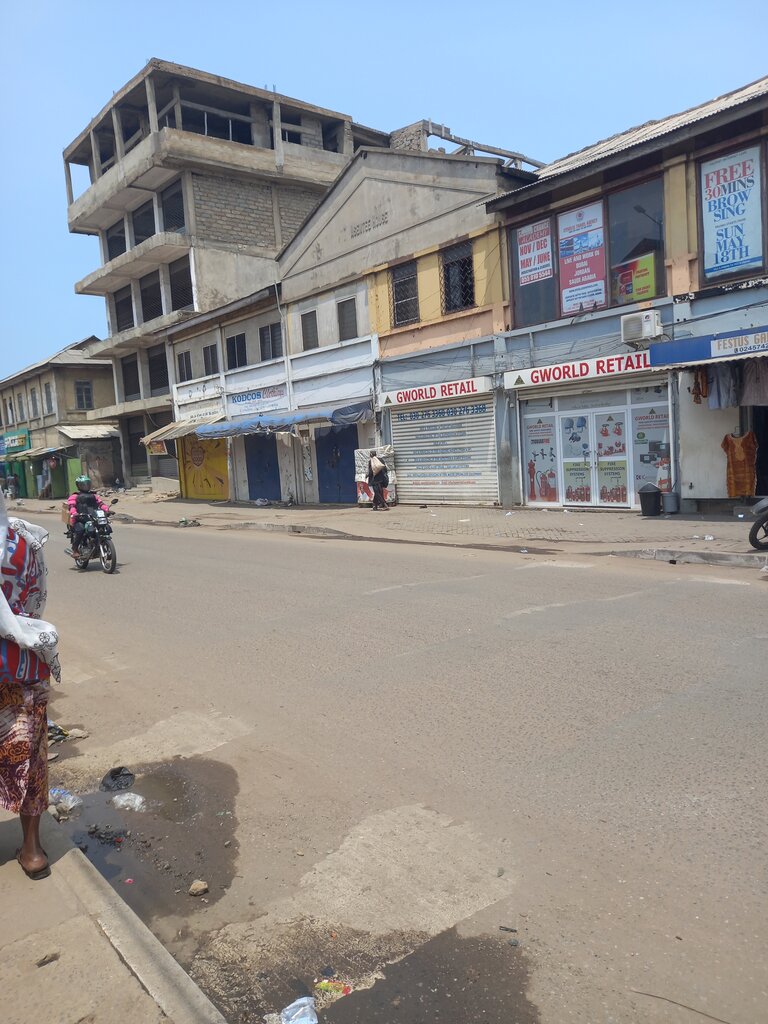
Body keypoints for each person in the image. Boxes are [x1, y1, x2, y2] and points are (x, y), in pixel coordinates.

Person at [0, 490, 60, 879]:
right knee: (29, 755)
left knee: (28, 754)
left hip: (17, 665)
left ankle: (31, 845)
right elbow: (37, 601)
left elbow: (35, 600)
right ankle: (31, 846)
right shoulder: (24, 538)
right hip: (21, 659)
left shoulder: (24, 539)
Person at [65, 475, 110, 557]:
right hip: (80, 518)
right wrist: (74, 513)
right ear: (78, 486)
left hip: (93, 517)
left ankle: (99, 544)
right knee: (81, 530)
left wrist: (107, 510)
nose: (86, 486)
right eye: (83, 484)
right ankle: (75, 549)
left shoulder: (94, 496)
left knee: (104, 527)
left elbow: (101, 504)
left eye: (87, 484)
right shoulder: (74, 496)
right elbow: (71, 506)